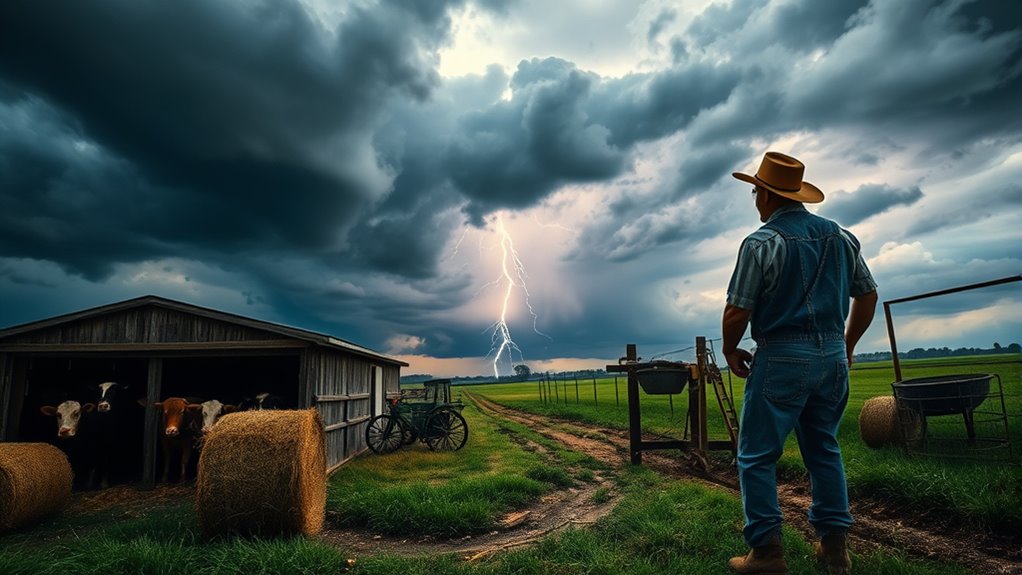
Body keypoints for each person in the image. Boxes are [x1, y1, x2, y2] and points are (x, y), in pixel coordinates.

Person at [722, 151, 878, 575]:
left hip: (781, 357)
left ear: (767, 195)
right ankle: (834, 550)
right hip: (832, 358)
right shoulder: (842, 237)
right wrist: (846, 345)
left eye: (756, 192)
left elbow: (738, 309)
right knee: (824, 449)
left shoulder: (760, 243)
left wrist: (731, 349)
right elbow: (867, 295)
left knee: (756, 456)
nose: (756, 200)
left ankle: (766, 554)